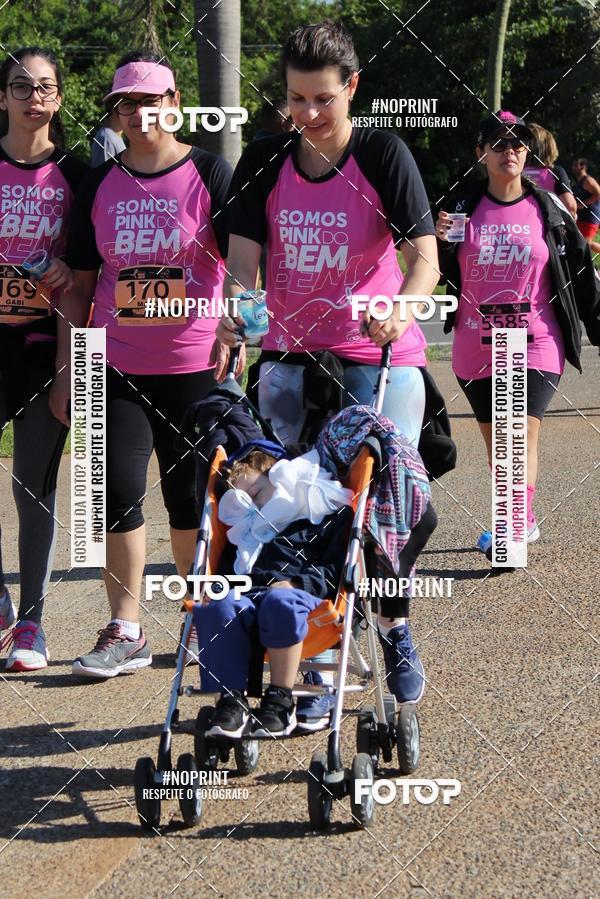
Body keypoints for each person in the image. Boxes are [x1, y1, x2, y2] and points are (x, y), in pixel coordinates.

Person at [213, 21, 439, 725]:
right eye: (295, 99)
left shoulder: (382, 153)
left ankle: (396, 625)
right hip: (289, 362)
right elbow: (245, 268)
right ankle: (314, 662)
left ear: (352, 89)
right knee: (292, 508)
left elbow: (425, 257)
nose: (307, 114)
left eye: (322, 99)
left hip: (377, 364)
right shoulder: (265, 159)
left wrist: (402, 311)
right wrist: (239, 328)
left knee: (378, 509)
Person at [49, 52, 232, 678]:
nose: (138, 112)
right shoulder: (99, 183)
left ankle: (202, 625)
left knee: (191, 499)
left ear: (174, 102)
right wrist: (71, 368)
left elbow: (244, 264)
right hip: (115, 362)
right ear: (116, 113)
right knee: (114, 494)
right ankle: (126, 631)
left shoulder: (211, 172)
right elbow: (79, 281)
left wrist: (239, 323)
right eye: (125, 103)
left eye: (149, 100)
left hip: (193, 365)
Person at [436, 111, 600, 561]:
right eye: (499, 142)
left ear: (527, 152)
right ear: (481, 152)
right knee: (497, 446)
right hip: (475, 344)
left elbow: (582, 274)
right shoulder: (461, 208)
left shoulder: (548, 210)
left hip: (535, 340)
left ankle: (511, 526)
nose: (509, 150)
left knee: (519, 432)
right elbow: (434, 268)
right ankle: (519, 516)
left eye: (518, 143)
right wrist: (436, 241)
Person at [0, 47, 87, 670]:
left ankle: (31, 626)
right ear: (1, 97)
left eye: (46, 87)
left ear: (58, 98)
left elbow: (89, 276)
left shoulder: (79, 175)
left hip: (43, 351)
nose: (35, 96)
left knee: (33, 489)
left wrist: (68, 373)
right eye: (21, 86)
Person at [196, 446, 354, 737]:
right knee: (218, 604)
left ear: (280, 477)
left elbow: (335, 572)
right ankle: (232, 701)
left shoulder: (321, 516)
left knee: (281, 600)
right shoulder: (244, 533)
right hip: (251, 597)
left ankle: (279, 699)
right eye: (242, 502)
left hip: (304, 601)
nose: (251, 507)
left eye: (255, 494)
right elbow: (227, 575)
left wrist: (296, 584)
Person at [523, 123, 577, 217]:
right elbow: (569, 205)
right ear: (549, 148)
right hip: (546, 225)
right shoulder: (555, 172)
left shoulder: (514, 171)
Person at [572, 157, 600, 254]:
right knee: (580, 242)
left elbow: (598, 193)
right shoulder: (580, 181)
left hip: (590, 218)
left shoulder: (588, 180)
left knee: (586, 243)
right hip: (582, 218)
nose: (573, 168)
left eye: (576, 165)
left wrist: (583, 204)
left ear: (583, 167)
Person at [89, 102, 125, 167]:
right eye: (126, 108)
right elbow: (105, 174)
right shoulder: (107, 138)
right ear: (113, 111)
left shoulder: (115, 137)